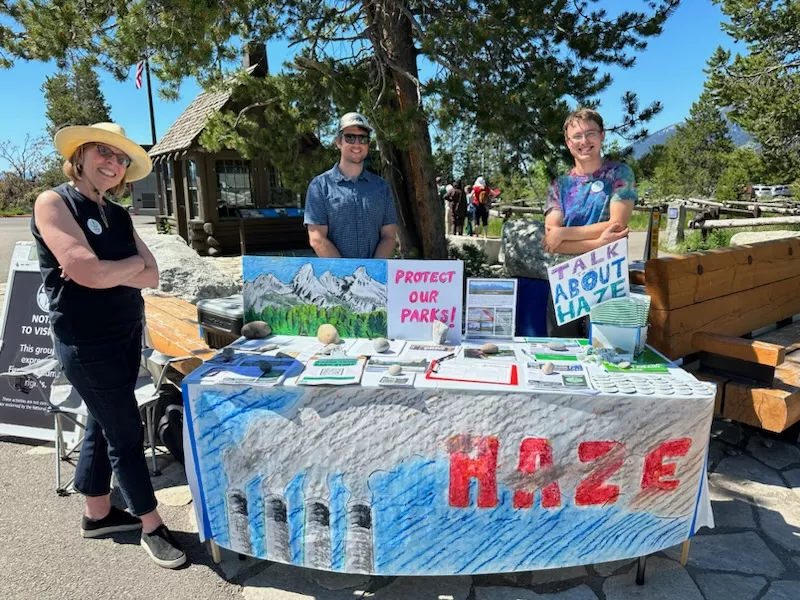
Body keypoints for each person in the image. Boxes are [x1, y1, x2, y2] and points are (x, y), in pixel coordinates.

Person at [31, 122, 186, 569]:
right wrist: (121, 267)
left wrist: (112, 267)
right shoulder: (55, 202)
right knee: (124, 430)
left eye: (120, 159)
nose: (113, 163)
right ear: (78, 156)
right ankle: (152, 523)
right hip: (84, 341)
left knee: (103, 421)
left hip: (124, 335)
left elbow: (150, 274)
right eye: (103, 152)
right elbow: (88, 274)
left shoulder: (119, 215)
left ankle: (97, 513)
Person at [542, 108, 637, 336]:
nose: (584, 141)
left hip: (607, 277)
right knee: (562, 352)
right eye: (577, 136)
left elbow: (616, 225)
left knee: (608, 352)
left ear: (602, 135)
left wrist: (564, 234)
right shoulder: (560, 185)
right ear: (568, 142)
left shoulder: (619, 174)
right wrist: (597, 243)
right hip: (566, 283)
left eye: (591, 133)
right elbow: (551, 240)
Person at [304, 112, 398, 259]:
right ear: (338, 142)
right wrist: (348, 275)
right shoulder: (319, 187)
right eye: (349, 137)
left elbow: (389, 236)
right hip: (335, 278)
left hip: (374, 279)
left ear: (368, 144)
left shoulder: (382, 188)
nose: (356, 144)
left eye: (363, 138)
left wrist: (369, 274)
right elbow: (317, 238)